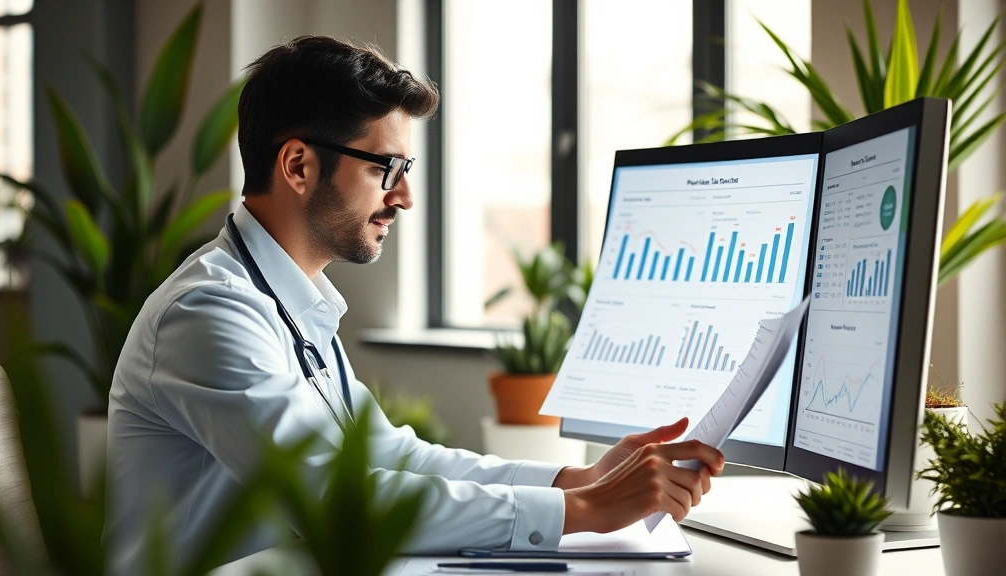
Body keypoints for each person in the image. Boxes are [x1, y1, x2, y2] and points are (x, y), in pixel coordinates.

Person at [103, 35, 724, 573]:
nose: (402, 196)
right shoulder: (208, 313)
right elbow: (334, 502)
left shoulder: (294, 303)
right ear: (297, 164)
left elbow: (392, 457)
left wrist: (577, 481)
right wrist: (583, 511)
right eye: (387, 167)